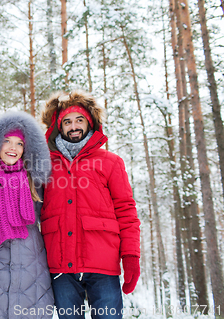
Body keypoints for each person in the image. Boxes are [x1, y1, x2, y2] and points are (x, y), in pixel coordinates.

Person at [39, 90, 141, 319]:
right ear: (58, 126)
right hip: (61, 266)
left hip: (102, 264)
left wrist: (131, 255)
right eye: (67, 121)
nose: (73, 126)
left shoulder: (111, 163)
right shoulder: (45, 164)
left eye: (79, 120)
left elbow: (126, 211)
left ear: (90, 123)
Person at [0, 111, 54, 319]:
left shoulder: (35, 182)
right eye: (7, 141)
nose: (13, 148)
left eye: (19, 143)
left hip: (32, 273)